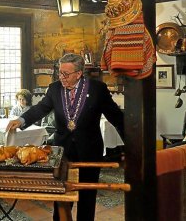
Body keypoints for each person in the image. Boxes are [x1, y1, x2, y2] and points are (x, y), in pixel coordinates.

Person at [6, 53, 124, 221]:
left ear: (79, 73)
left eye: (66, 74)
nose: (62, 77)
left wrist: (132, 143)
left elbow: (116, 116)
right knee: (61, 193)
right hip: (63, 151)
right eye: (60, 72)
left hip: (89, 150)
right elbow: (41, 108)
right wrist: (21, 119)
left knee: (87, 194)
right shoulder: (54, 88)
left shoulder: (97, 89)